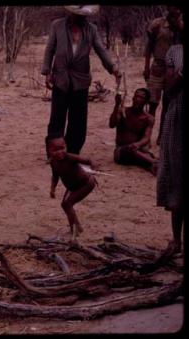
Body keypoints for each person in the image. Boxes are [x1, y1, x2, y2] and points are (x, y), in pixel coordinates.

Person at [41, 5, 121, 155]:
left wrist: (112, 67)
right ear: (70, 13)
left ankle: (72, 150)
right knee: (57, 116)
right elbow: (50, 49)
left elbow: (100, 50)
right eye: (78, 14)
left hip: (81, 79)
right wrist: (47, 72)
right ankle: (54, 151)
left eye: (84, 15)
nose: (82, 17)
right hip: (60, 77)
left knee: (78, 118)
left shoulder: (91, 29)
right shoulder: (57, 25)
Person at [157, 28, 184, 254]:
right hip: (179, 121)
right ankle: (176, 240)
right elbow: (169, 88)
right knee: (178, 178)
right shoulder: (175, 52)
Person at [143, 6, 183, 144]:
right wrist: (146, 66)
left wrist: (179, 25)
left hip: (173, 69)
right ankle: (146, 136)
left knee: (168, 104)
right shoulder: (157, 24)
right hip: (158, 67)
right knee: (152, 103)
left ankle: (162, 136)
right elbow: (149, 46)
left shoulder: (180, 26)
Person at [46, 137, 97, 240]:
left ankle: (74, 229)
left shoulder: (70, 157)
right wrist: (52, 188)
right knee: (64, 204)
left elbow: (87, 160)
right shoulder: (53, 162)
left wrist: (94, 165)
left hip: (85, 184)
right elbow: (55, 176)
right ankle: (77, 227)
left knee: (68, 204)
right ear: (48, 150)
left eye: (62, 148)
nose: (60, 152)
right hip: (72, 187)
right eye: (55, 150)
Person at [109, 88, 158, 175]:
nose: (137, 99)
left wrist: (137, 144)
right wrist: (116, 105)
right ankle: (152, 162)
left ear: (146, 102)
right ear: (133, 98)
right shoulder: (123, 111)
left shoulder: (149, 118)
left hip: (138, 150)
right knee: (132, 150)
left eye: (141, 97)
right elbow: (112, 124)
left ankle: (152, 165)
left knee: (141, 153)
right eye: (136, 96)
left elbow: (146, 138)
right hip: (121, 151)